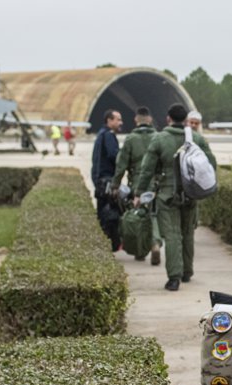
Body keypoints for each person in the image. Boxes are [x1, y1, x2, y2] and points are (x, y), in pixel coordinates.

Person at [133, 103, 215, 291]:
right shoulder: (196, 138)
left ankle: (174, 278)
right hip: (190, 194)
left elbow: (147, 170)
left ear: (168, 119)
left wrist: (138, 193)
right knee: (188, 233)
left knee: (172, 235)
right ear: (186, 120)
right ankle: (187, 271)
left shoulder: (159, 139)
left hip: (167, 195)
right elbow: (211, 163)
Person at [114, 107, 160, 264]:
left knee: (138, 215)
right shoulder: (158, 137)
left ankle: (140, 251)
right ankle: (155, 243)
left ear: (136, 120)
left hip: (136, 182)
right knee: (153, 215)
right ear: (150, 120)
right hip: (155, 183)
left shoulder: (130, 139)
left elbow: (121, 165)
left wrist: (115, 184)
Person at [91, 109, 123, 251]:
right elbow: (114, 155)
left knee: (102, 212)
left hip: (100, 180)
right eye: (118, 119)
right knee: (110, 214)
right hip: (107, 180)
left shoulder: (101, 134)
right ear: (109, 121)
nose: (121, 122)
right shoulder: (109, 135)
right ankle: (112, 244)